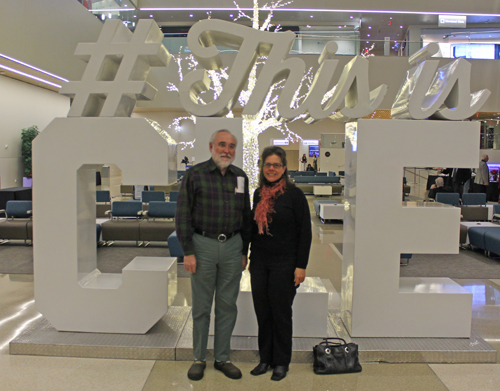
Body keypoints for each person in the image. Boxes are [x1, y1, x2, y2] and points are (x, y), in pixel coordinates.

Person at [175, 129, 251, 381]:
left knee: (228, 305)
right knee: (202, 306)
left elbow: (246, 216)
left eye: (231, 146)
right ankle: (198, 358)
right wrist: (188, 251)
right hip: (203, 244)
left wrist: (243, 250)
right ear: (211, 147)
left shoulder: (240, 177)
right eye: (222, 145)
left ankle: (222, 358)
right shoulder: (194, 175)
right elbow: (183, 214)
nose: (226, 150)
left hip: (232, 246)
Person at [249, 146, 312, 381]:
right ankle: (265, 358)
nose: (271, 169)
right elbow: (254, 229)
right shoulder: (258, 194)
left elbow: (305, 232)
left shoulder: (295, 195)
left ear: (284, 168)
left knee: (281, 313)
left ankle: (281, 361)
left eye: (276, 165)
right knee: (263, 312)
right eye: (267, 165)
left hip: (285, 264)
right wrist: (247, 254)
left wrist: (301, 265)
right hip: (260, 263)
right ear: (262, 168)